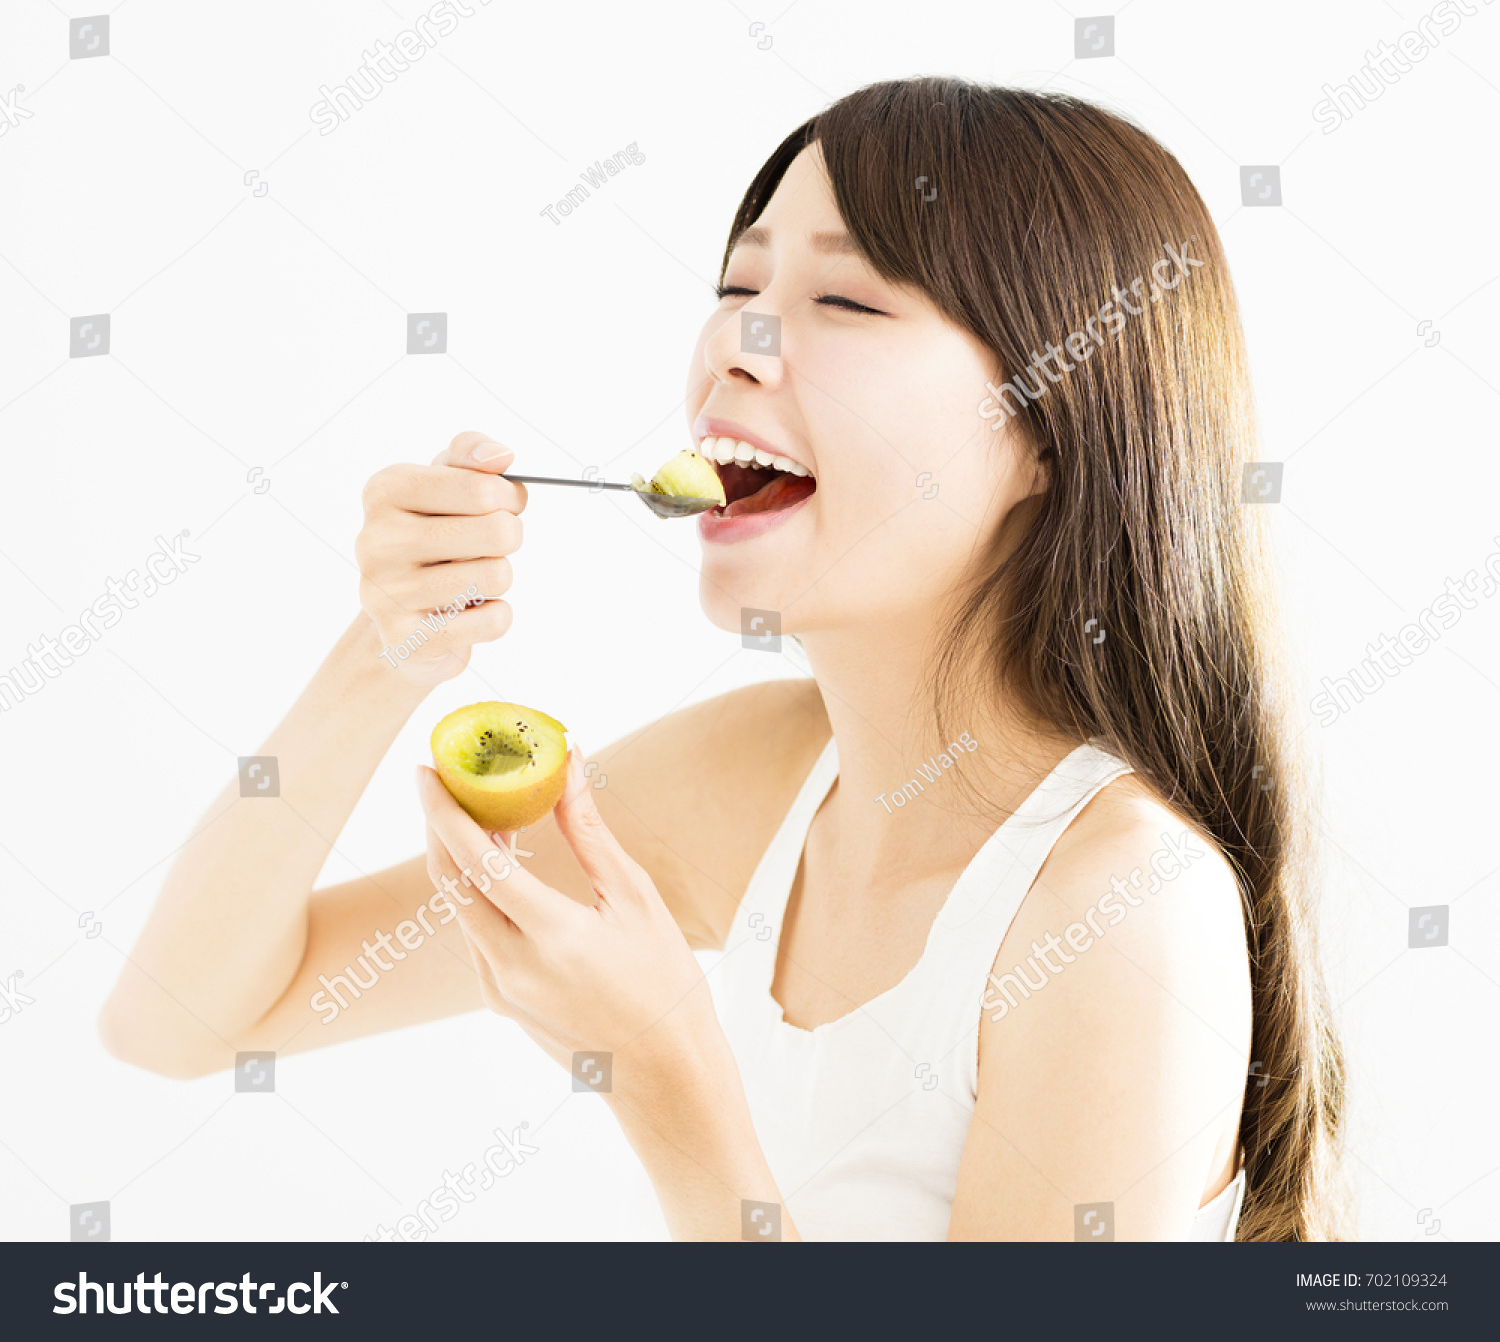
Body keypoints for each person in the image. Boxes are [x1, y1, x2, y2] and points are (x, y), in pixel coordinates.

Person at [99, 77, 1346, 1241]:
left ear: (1049, 436)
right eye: (736, 287)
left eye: (846, 300)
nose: (735, 347)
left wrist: (662, 1074)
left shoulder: (1123, 907)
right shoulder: (758, 780)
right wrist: (385, 658)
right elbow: (187, 1016)